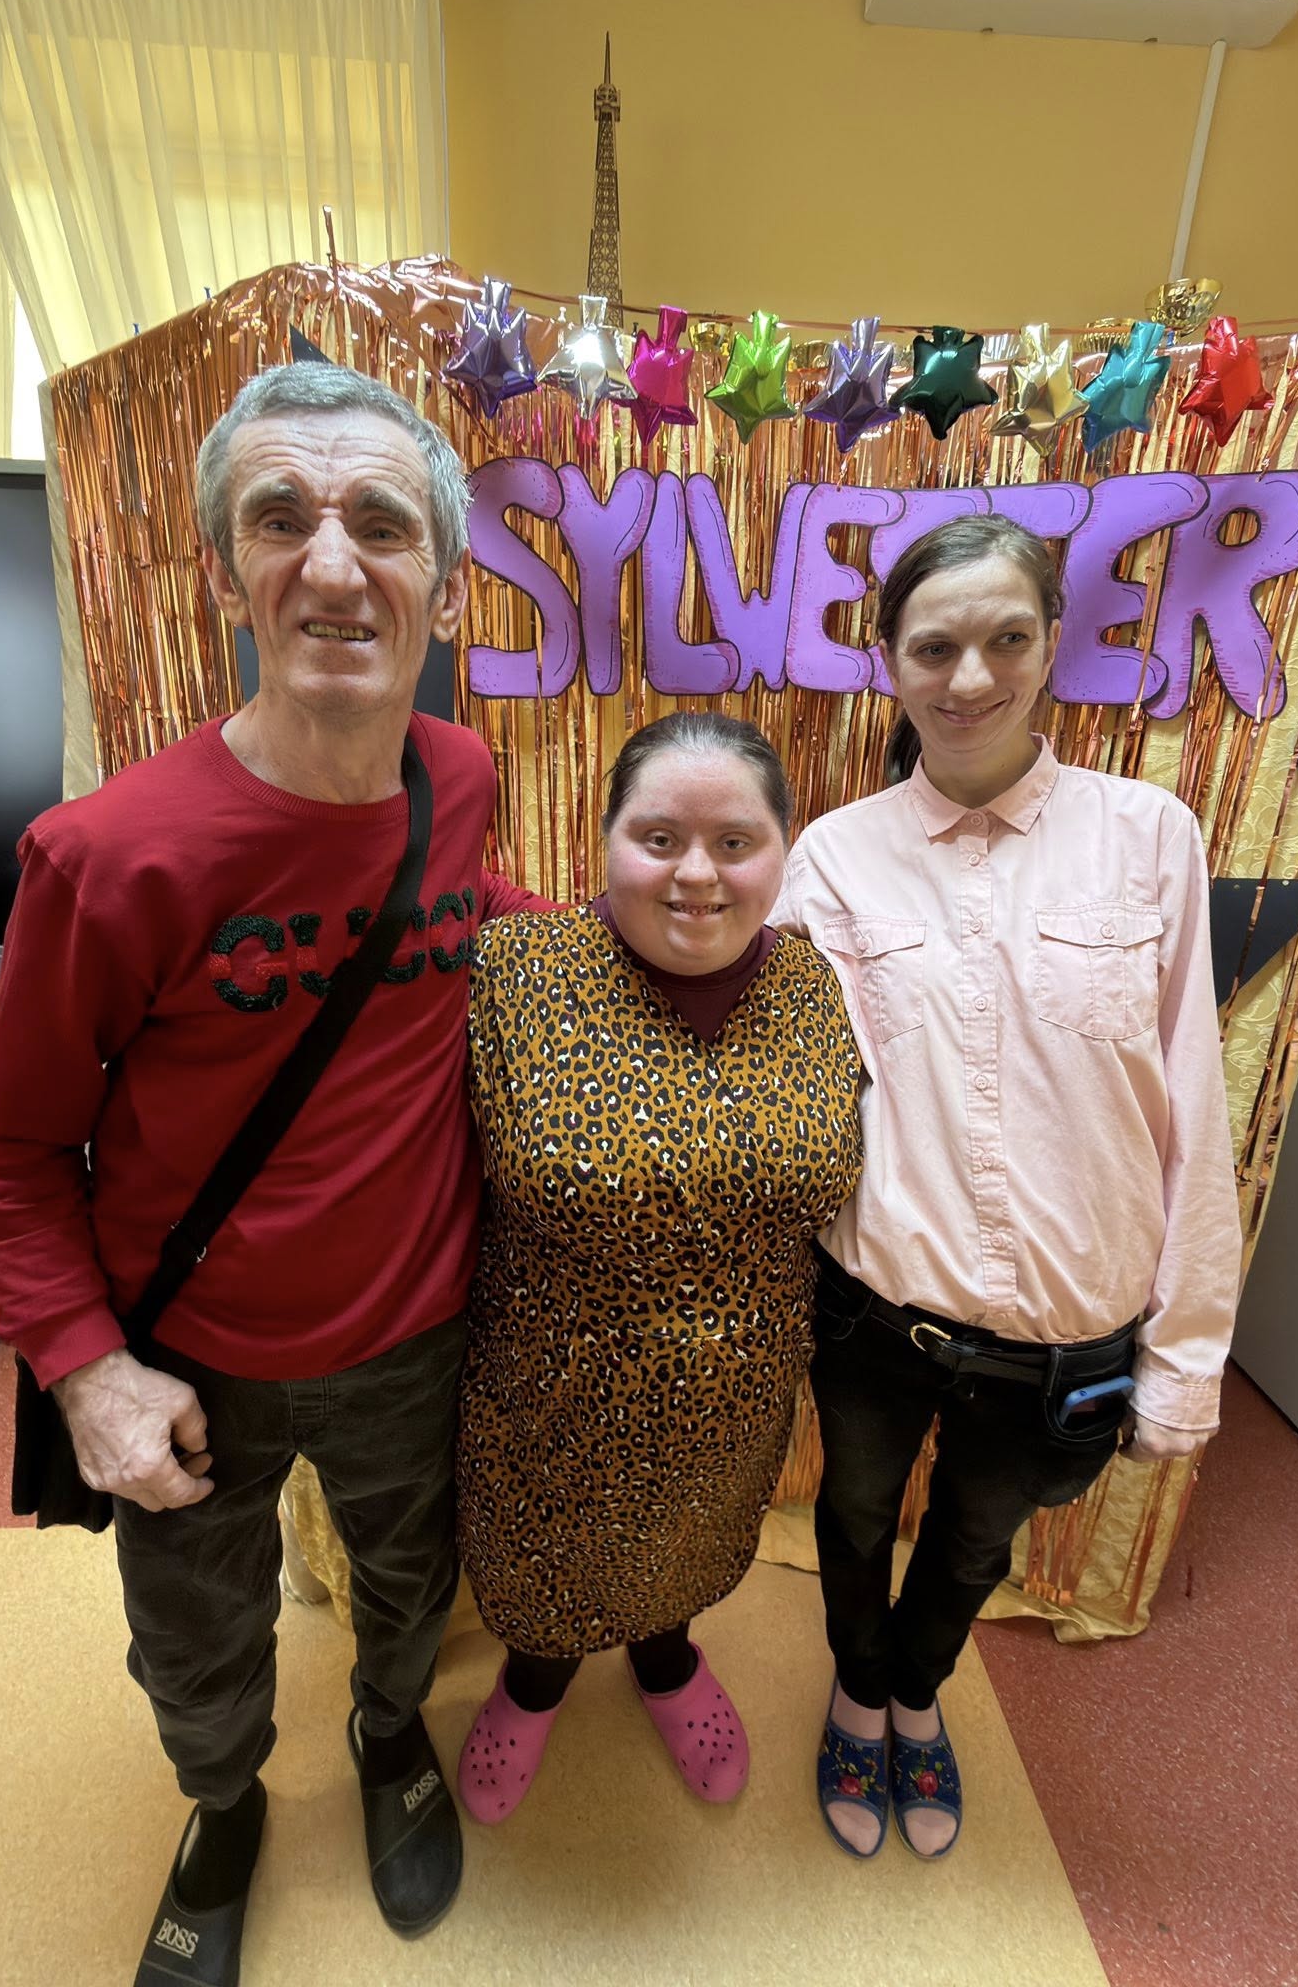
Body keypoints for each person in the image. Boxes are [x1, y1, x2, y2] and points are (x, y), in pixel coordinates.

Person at [0, 362, 549, 1984]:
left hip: (414, 1331)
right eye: (281, 518)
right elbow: (10, 1143)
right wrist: (85, 1372)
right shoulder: (109, 855)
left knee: (410, 1583)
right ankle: (222, 1809)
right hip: (188, 1356)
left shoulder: (457, 779)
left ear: (443, 581)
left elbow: (469, 921)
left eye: (382, 524)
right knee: (196, 1635)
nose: (334, 562)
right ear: (228, 574)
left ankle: (387, 1734)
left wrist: (646, 943)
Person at [774, 513, 1242, 1864]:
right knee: (855, 1515)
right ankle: (857, 1687)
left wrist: (1184, 1358)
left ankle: (918, 1690)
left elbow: (1192, 1102)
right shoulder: (833, 858)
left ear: (1051, 644)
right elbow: (785, 1092)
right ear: (889, 660)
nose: (969, 675)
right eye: (935, 646)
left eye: (1005, 639)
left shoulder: (1148, 835)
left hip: (1066, 1335)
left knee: (978, 1537)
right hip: (875, 1312)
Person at [453, 712, 862, 1823]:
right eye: (660, 837)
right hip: (547, 1402)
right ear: (606, 840)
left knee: (685, 1556)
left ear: (782, 848)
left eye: (735, 841)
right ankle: (533, 1680)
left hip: (735, 1404)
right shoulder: (518, 972)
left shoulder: (811, 986)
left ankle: (669, 1658)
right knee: (543, 1580)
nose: (696, 874)